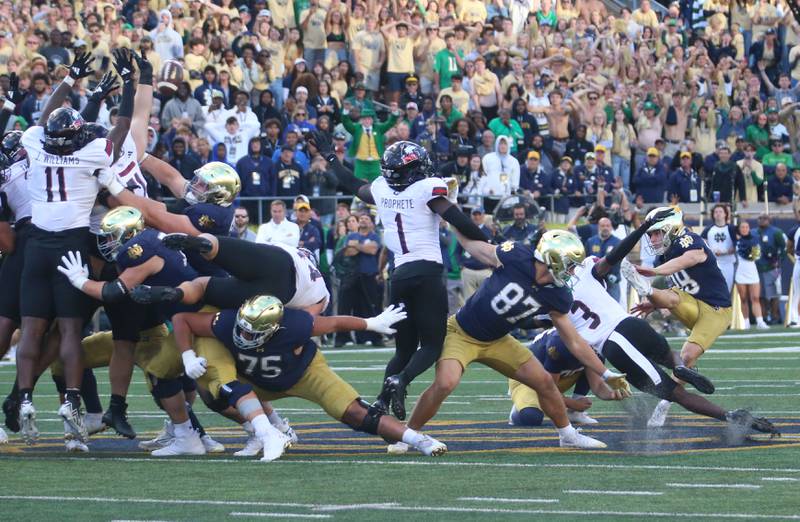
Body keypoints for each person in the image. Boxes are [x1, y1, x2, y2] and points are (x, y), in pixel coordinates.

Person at [398, 230, 634, 452]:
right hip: (461, 332)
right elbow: (474, 246)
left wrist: (605, 373)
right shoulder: (517, 256)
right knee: (446, 383)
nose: (572, 273)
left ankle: (567, 435)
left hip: (499, 340)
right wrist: (451, 218)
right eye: (571, 266)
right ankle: (408, 434)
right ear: (554, 258)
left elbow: (574, 340)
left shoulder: (558, 294)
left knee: (543, 381)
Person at [322, 139, 490, 420]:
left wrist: (331, 158)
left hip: (399, 275)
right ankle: (402, 380)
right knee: (433, 345)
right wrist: (488, 242)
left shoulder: (380, 189)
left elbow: (351, 183)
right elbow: (461, 221)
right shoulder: (428, 190)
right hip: (427, 271)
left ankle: (380, 401)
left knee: (403, 349)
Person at [171, 295, 448, 458]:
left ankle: (417, 440)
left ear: (273, 329)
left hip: (304, 373)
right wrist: (187, 355)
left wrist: (372, 323)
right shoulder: (228, 322)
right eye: (242, 329)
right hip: (255, 380)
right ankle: (267, 433)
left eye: (251, 333)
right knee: (215, 393)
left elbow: (336, 322)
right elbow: (183, 319)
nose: (243, 336)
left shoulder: (295, 325)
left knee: (356, 413)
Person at [15, 52, 129, 444]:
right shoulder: (91, 154)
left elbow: (46, 117)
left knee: (31, 329)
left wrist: (71, 78)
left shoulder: (34, 141)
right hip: (72, 247)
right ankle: (72, 400)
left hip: (36, 247)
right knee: (69, 331)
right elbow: (121, 127)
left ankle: (26, 398)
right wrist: (127, 86)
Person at [622, 207, 733, 428]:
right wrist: (653, 303)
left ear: (670, 228)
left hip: (716, 310)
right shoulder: (664, 254)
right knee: (671, 297)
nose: (652, 239)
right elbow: (674, 288)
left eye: (656, 233)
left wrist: (653, 273)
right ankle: (647, 291)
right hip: (691, 302)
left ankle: (664, 405)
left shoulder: (687, 239)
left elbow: (691, 258)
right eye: (650, 234)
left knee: (686, 357)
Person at [508, 329, 624, 427]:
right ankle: (519, 409)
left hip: (557, 378)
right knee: (531, 417)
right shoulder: (558, 345)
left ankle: (573, 413)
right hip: (528, 380)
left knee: (590, 365)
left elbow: (597, 385)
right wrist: (572, 403)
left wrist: (612, 394)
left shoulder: (596, 344)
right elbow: (548, 390)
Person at [342, 106, 399, 182]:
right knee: (359, 185)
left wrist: (394, 113)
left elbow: (390, 123)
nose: (367, 121)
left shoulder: (378, 128)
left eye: (369, 118)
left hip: (375, 162)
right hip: (361, 162)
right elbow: (346, 123)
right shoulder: (356, 129)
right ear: (361, 120)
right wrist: (345, 111)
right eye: (364, 119)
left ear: (372, 120)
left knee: (377, 184)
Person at [735, 219, 769, 330]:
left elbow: (756, 256)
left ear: (749, 228)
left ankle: (760, 322)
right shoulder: (736, 241)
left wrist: (752, 254)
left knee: (755, 298)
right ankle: (746, 323)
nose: (744, 229)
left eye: (746, 227)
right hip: (740, 272)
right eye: (742, 227)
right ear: (739, 229)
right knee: (743, 299)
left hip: (752, 272)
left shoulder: (755, 240)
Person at [755, 214, 787, 325]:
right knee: (760, 295)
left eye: (764, 218)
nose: (762, 220)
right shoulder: (754, 232)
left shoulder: (776, 232)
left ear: (769, 220)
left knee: (774, 294)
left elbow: (784, 247)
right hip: (757, 267)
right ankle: (763, 316)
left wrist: (778, 260)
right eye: (760, 218)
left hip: (772, 267)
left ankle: (775, 316)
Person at [701, 204, 737, 294]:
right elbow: (702, 245)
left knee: (727, 289)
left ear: (725, 214)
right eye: (716, 212)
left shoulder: (731, 228)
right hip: (713, 264)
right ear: (713, 215)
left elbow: (737, 246)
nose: (718, 214)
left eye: (720, 211)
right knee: (713, 289)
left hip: (728, 264)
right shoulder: (708, 229)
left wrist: (725, 252)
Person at [585, 217, 621, 300]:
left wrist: (612, 275)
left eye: (608, 226)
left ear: (611, 227)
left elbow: (619, 261)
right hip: (594, 281)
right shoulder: (590, 241)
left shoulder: (618, 242)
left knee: (613, 308)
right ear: (598, 227)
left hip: (611, 282)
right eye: (603, 226)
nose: (605, 228)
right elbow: (586, 260)